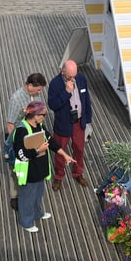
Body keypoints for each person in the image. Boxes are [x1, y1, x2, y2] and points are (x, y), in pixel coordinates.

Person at [13, 101, 74, 233]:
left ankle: (36, 213)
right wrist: (38, 150)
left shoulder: (39, 125)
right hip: (29, 171)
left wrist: (64, 154)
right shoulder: (21, 130)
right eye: (43, 114)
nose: (45, 117)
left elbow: (50, 140)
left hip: (40, 169)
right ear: (35, 115)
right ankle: (26, 222)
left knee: (37, 194)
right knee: (27, 197)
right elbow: (20, 154)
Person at [47, 60, 93, 191]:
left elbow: (86, 99)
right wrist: (66, 92)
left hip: (79, 121)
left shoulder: (81, 78)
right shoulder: (55, 84)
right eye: (69, 76)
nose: (73, 79)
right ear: (63, 71)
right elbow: (52, 105)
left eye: (74, 76)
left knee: (79, 148)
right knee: (60, 150)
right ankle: (59, 176)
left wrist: (88, 119)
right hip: (63, 123)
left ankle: (78, 173)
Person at [5, 73, 48, 210]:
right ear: (30, 85)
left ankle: (28, 191)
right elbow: (10, 123)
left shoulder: (35, 96)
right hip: (20, 135)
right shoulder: (16, 99)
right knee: (16, 168)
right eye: (38, 89)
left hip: (33, 135)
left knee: (30, 163)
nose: (40, 92)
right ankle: (15, 196)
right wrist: (15, 143)